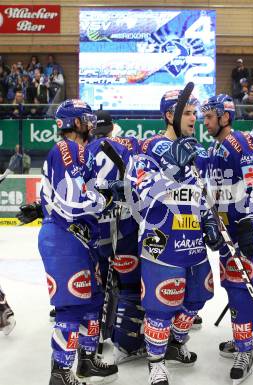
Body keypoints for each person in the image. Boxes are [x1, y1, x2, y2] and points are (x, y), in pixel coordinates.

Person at [131, 89, 222, 385]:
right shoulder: (149, 147)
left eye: (195, 113)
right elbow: (142, 195)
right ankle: (155, 362)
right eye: (187, 113)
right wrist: (173, 166)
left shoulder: (193, 148)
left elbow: (199, 193)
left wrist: (209, 221)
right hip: (163, 241)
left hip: (193, 240)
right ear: (170, 115)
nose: (194, 118)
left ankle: (174, 342)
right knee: (161, 306)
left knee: (198, 297)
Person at [38, 99, 118, 385]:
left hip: (79, 239)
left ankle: (85, 360)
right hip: (64, 238)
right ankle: (60, 373)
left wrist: (104, 194)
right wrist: (105, 199)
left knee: (92, 302)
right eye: (87, 119)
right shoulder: (67, 148)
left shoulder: (80, 152)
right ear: (76, 123)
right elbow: (73, 203)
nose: (92, 124)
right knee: (72, 305)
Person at [201, 94, 253, 384]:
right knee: (234, 287)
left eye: (210, 116)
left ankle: (245, 348)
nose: (205, 121)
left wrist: (250, 223)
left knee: (243, 288)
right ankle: (247, 337)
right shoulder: (217, 147)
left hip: (243, 234)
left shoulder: (240, 141)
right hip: (228, 234)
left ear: (225, 117)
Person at [84, 110, 144, 365]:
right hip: (124, 224)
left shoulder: (83, 150)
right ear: (112, 127)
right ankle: (126, 342)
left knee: (98, 282)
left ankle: (94, 337)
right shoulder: (125, 145)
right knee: (129, 283)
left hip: (97, 226)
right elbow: (138, 185)